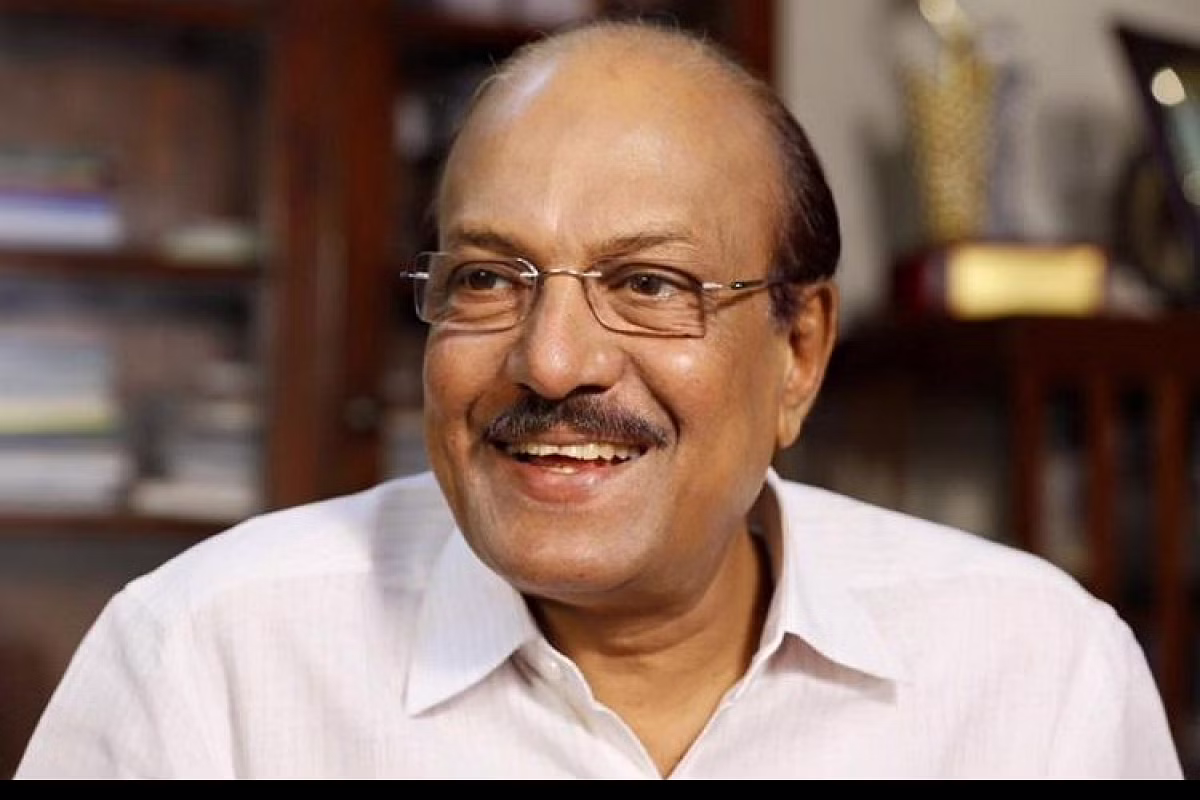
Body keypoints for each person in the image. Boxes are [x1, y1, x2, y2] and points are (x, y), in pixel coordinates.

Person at [16, 19, 1183, 779]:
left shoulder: (1039, 675)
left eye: (649, 284)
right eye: (488, 277)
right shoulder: (208, 657)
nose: (553, 360)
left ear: (798, 350)